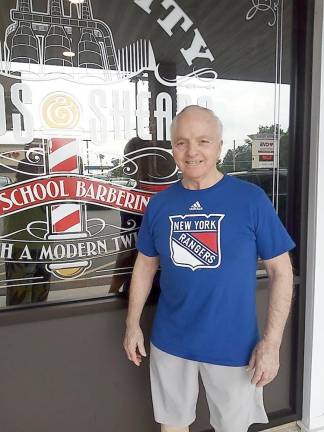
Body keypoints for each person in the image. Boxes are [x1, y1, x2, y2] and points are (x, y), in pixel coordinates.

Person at [123, 105, 295, 432]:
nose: (192, 152)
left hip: (235, 345)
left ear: (220, 145)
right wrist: (132, 324)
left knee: (232, 427)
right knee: (172, 425)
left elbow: (281, 272)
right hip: (170, 340)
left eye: (203, 141)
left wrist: (271, 344)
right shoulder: (160, 204)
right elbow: (145, 265)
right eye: (182, 142)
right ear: (172, 147)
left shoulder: (250, 200)